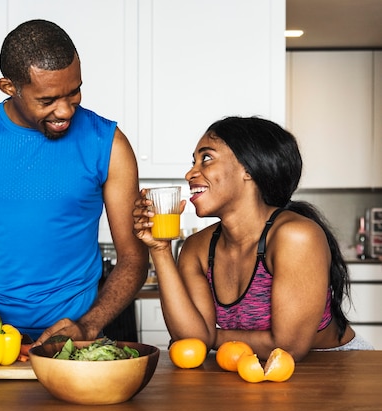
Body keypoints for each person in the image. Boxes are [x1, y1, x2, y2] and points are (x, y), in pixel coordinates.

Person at [0, 19, 148, 344]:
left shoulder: (109, 144)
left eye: (74, 92)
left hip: (77, 336)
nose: (65, 110)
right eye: (47, 100)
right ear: (9, 87)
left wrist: (89, 325)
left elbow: (133, 257)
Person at [133, 116, 373, 361]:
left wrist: (212, 338)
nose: (190, 173)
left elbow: (288, 348)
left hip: (335, 365)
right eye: (193, 161)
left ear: (248, 168)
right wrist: (160, 250)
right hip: (249, 366)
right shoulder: (197, 247)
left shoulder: (296, 236)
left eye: (206, 158)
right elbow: (192, 341)